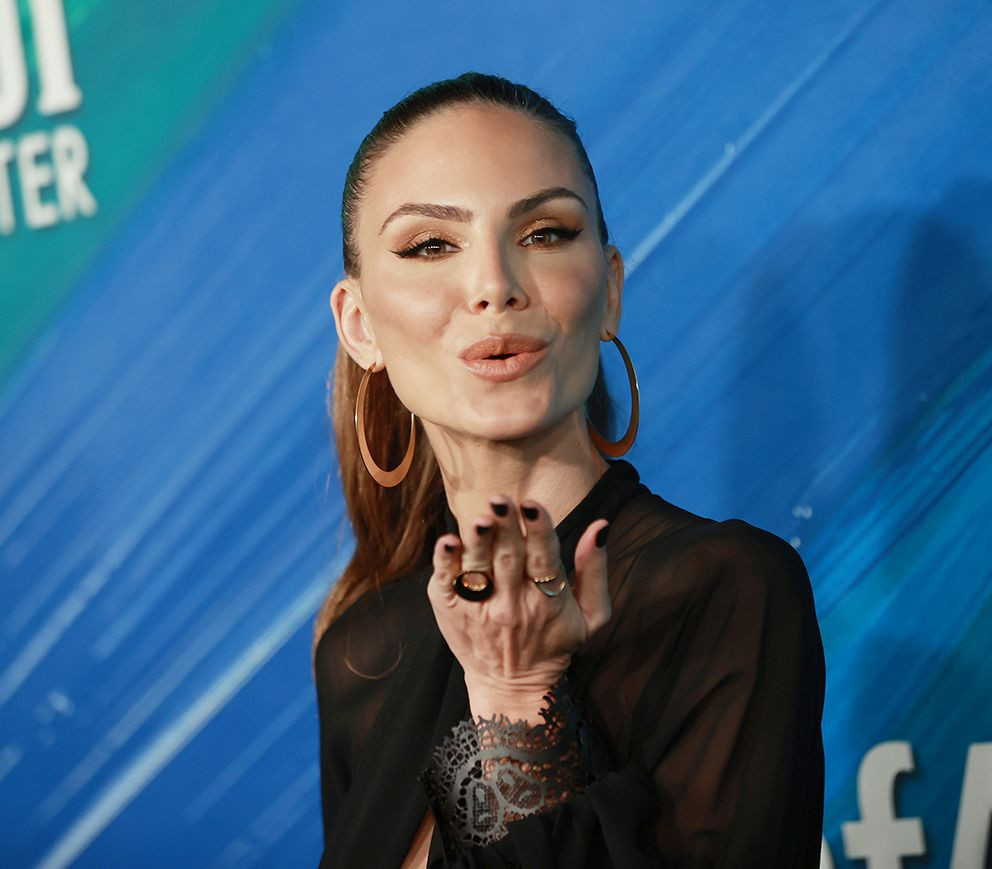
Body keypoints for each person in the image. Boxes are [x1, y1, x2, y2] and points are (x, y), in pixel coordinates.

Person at [313, 71, 825, 868]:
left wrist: (517, 704)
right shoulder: (363, 651)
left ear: (610, 290)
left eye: (545, 233)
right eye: (430, 245)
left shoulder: (723, 590)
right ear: (359, 325)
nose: (494, 286)